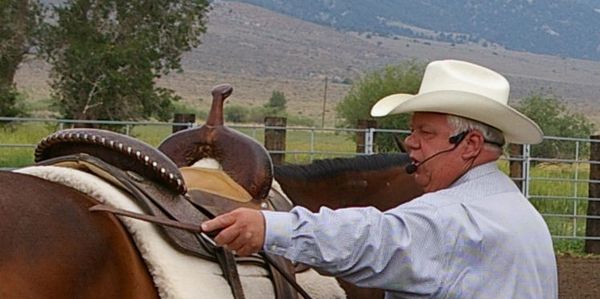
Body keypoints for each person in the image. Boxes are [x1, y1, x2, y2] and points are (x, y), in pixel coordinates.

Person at [201, 59, 558, 298]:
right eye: (412, 130)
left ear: (471, 144)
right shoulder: (515, 210)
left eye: (425, 132)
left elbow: (375, 238)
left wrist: (270, 228)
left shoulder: (452, 216)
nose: (410, 142)